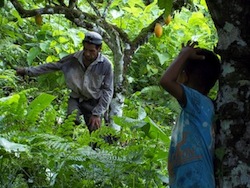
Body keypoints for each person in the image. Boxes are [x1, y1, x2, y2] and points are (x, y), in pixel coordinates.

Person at [16, 31, 114, 133]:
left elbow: (108, 91)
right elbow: (51, 66)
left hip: (93, 101)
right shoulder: (73, 59)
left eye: (92, 51)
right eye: (85, 49)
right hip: (76, 98)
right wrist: (27, 71)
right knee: (70, 122)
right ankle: (67, 144)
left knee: (95, 131)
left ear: (99, 49)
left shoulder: (106, 65)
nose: (87, 54)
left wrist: (97, 113)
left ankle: (95, 148)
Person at [160, 41, 221, 187]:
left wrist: (184, 54)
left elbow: (166, 81)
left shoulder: (197, 102)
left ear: (185, 76)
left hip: (195, 183)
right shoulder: (201, 106)